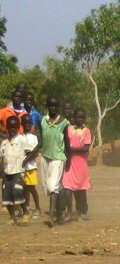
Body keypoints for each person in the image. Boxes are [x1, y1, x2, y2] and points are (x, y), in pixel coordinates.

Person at [38, 96, 70, 227]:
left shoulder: (64, 123)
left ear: (59, 107)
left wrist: (69, 158)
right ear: (47, 106)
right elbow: (42, 140)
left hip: (58, 157)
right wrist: (30, 156)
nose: (53, 108)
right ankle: (60, 213)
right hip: (45, 157)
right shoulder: (42, 121)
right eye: (51, 106)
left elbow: (67, 143)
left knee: (53, 187)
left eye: (56, 106)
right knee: (48, 188)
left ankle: (51, 217)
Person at [0, 116, 37, 225]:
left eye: (15, 127)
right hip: (7, 173)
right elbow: (2, 157)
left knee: (17, 193)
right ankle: (12, 217)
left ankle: (25, 212)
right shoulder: (4, 143)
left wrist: (25, 161)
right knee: (7, 195)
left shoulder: (22, 140)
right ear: (7, 127)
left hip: (18, 172)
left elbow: (33, 150)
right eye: (10, 127)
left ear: (18, 127)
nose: (12, 129)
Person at [62, 108, 92, 221]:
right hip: (69, 163)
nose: (79, 119)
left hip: (81, 165)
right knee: (67, 188)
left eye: (82, 117)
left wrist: (72, 149)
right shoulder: (68, 129)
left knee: (80, 189)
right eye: (77, 117)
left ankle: (82, 211)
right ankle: (69, 213)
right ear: (73, 118)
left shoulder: (86, 131)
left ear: (84, 118)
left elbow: (86, 148)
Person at [21, 114, 41, 218]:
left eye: (29, 123)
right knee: (24, 189)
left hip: (31, 167)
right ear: (22, 124)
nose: (27, 125)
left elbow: (36, 153)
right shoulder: (20, 137)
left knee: (32, 188)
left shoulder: (34, 137)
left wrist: (27, 156)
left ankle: (38, 208)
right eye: (25, 123)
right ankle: (25, 208)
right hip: (22, 168)